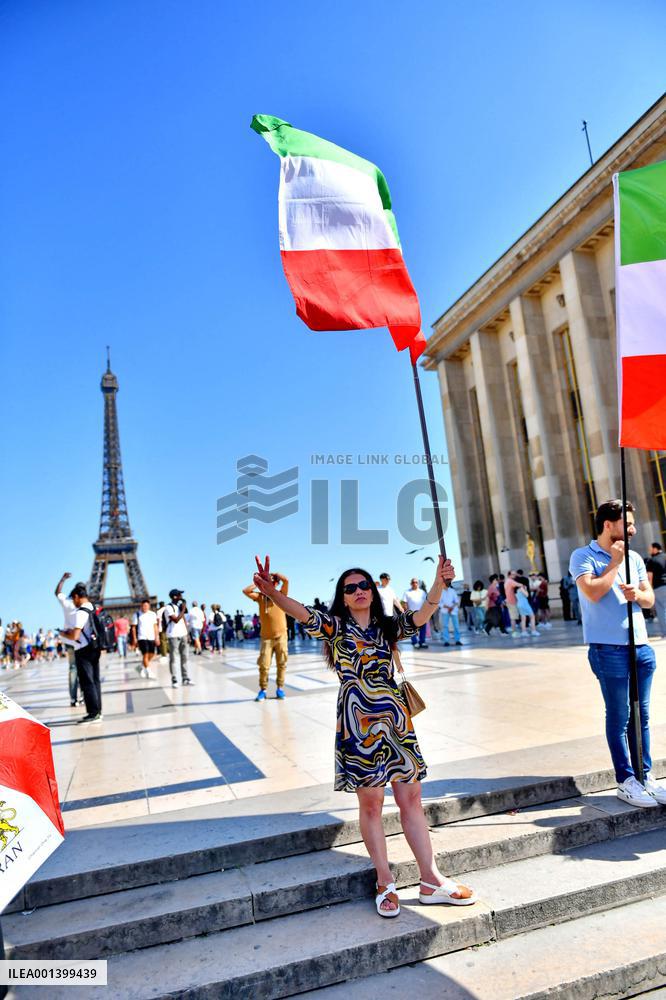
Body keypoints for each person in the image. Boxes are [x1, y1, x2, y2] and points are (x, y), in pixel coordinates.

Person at [252, 553, 477, 916]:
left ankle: (430, 879)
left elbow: (423, 614)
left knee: (411, 798)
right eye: (350, 588)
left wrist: (438, 581)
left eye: (364, 585)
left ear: (372, 591)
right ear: (342, 598)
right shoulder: (335, 628)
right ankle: (384, 880)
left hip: (396, 722)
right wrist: (273, 594)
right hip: (359, 725)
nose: (358, 591)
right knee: (371, 804)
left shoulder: (388, 627)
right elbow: (301, 613)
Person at [570, 499, 666, 808]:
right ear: (608, 524)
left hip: (641, 646)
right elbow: (592, 591)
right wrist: (613, 563)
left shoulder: (635, 557)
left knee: (642, 716)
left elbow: (649, 599)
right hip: (607, 648)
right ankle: (626, 780)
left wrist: (638, 594)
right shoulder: (582, 556)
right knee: (620, 715)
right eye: (628, 524)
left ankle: (645, 775)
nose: (633, 529)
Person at [58, 583, 102, 723]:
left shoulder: (81, 612)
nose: (73, 602)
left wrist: (63, 634)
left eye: (73, 599)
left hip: (83, 650)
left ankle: (93, 713)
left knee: (87, 682)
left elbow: (75, 636)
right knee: (95, 681)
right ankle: (98, 711)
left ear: (77, 596)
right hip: (95, 647)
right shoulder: (93, 607)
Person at [243, 572, 290, 701]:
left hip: (281, 636)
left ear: (276, 583)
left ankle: (280, 688)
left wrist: (275, 575)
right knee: (264, 665)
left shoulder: (281, 595)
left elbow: (286, 580)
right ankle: (263, 689)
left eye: (272, 582)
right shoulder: (260, 597)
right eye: (268, 581)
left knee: (282, 663)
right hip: (266, 638)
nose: (270, 583)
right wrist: (259, 583)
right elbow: (246, 591)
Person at [54, 571, 83, 707]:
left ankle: (73, 698)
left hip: (69, 641)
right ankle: (83, 695)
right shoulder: (83, 604)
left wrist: (63, 579)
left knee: (73, 669)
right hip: (81, 641)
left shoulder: (67, 602)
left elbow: (57, 592)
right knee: (82, 668)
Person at [164, 589, 193, 686]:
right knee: (173, 658)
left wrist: (187, 633)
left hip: (183, 634)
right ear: (174, 597)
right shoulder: (169, 607)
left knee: (185, 657)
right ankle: (174, 679)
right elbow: (175, 620)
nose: (182, 597)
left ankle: (185, 678)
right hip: (173, 635)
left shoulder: (179, 606)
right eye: (180, 595)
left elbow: (183, 619)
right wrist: (183, 609)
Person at [132, 599, 159, 678]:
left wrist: (157, 637)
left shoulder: (153, 614)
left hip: (151, 637)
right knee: (145, 654)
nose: (145, 607)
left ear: (149, 606)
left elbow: (155, 626)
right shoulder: (137, 614)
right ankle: (149, 671)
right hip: (142, 637)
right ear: (141, 606)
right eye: (143, 606)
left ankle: (141, 666)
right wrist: (134, 638)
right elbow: (133, 627)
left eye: (146, 606)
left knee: (152, 654)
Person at [646, 542, 666, 638]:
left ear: (655, 549)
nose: (649, 550)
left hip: (659, 587)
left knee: (662, 610)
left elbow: (649, 577)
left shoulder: (652, 560)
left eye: (650, 548)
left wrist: (649, 590)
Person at [402, 578, 428, 648]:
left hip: (422, 613)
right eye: (413, 582)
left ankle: (422, 642)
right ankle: (415, 642)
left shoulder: (422, 592)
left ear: (418, 584)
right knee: (412, 629)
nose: (414, 583)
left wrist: (426, 612)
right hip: (411, 614)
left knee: (423, 628)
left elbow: (426, 602)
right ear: (411, 583)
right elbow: (404, 603)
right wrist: (407, 612)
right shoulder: (407, 592)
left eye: (416, 582)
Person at [503, 571, 522, 637]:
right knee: (513, 618)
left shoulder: (507, 581)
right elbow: (519, 585)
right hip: (512, 601)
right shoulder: (510, 581)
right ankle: (514, 633)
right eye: (513, 574)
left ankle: (515, 631)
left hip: (509, 601)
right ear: (509, 575)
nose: (514, 576)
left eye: (515, 574)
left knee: (513, 617)